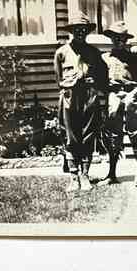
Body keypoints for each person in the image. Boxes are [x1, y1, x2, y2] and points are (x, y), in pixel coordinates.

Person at [54, 12, 109, 192]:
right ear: (71, 31)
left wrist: (96, 84)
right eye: (76, 29)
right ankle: (73, 176)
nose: (80, 32)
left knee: (88, 134)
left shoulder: (93, 52)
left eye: (83, 30)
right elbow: (59, 79)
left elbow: (103, 76)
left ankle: (85, 175)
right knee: (70, 135)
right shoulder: (61, 53)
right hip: (70, 96)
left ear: (87, 32)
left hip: (89, 96)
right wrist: (68, 86)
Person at [99, 21, 137, 187]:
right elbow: (100, 80)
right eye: (116, 38)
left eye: (122, 38)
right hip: (113, 95)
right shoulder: (105, 58)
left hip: (131, 94)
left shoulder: (133, 57)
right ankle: (112, 174)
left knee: (135, 132)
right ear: (111, 39)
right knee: (113, 135)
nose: (119, 41)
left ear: (126, 40)